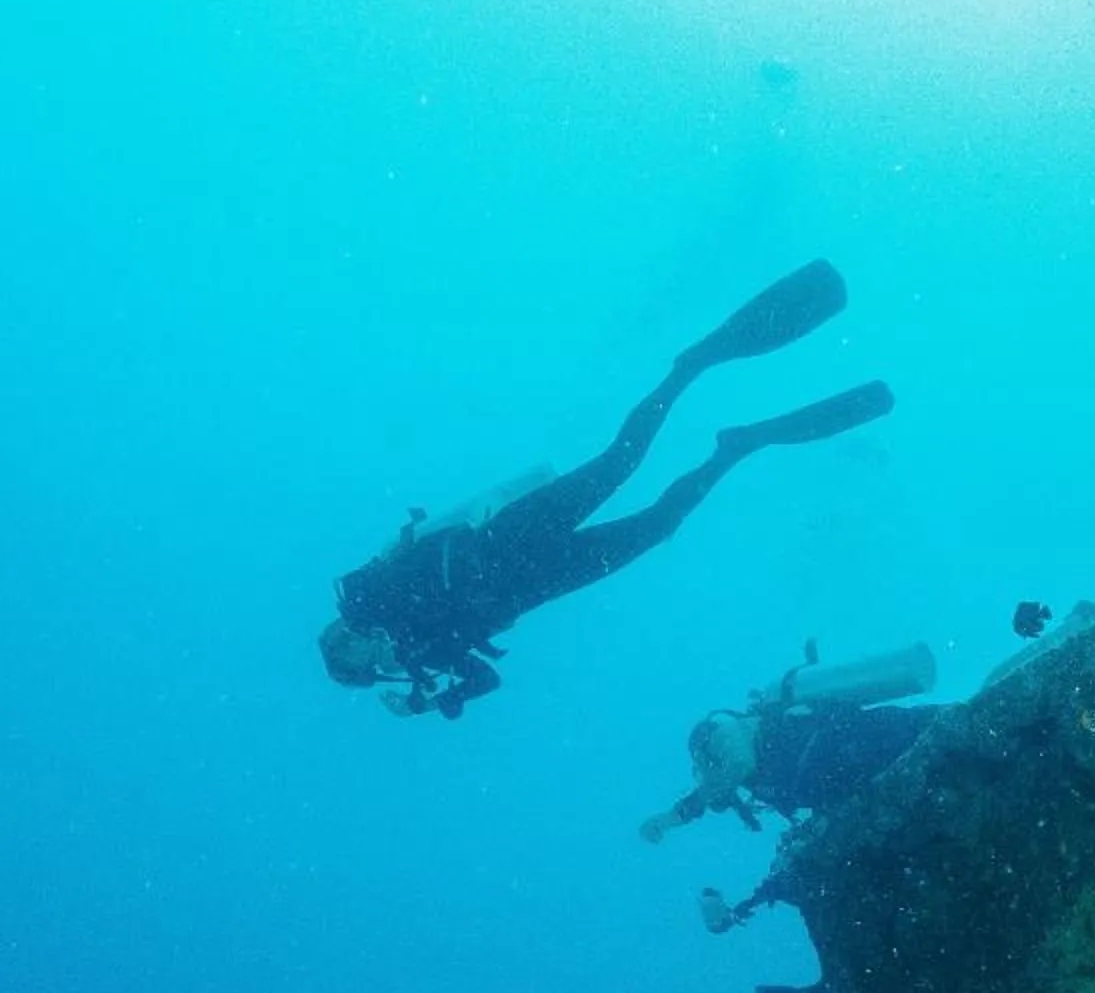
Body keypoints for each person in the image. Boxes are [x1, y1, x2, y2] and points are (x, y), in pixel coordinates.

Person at [319, 260, 893, 718]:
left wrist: (383, 627)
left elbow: (418, 549)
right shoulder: (424, 656)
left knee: (620, 461)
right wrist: (430, 698)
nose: (365, 651)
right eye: (361, 661)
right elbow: (486, 679)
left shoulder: (367, 596)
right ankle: (738, 446)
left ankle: (688, 367)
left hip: (509, 536)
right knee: (660, 526)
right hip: (544, 578)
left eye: (351, 649)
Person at [637, 641, 937, 844]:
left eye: (701, 769)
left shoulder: (714, 732)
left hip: (831, 744)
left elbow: (740, 762)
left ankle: (972, 714)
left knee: (917, 729)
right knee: (918, 745)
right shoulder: (736, 770)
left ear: (701, 753)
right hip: (832, 765)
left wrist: (677, 812)